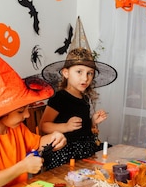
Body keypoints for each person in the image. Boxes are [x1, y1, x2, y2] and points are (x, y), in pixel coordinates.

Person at [0, 42, 66, 187]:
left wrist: (55, 137)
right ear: (1, 113)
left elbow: (38, 142)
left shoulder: (15, 127)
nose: (27, 115)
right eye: (21, 111)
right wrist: (23, 167)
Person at [40, 17, 117, 169]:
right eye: (79, 72)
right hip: (65, 150)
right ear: (66, 73)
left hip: (85, 147)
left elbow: (82, 127)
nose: (85, 78)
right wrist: (66, 127)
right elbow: (44, 126)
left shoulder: (84, 97)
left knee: (112, 156)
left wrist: (93, 121)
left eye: (89, 73)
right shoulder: (60, 97)